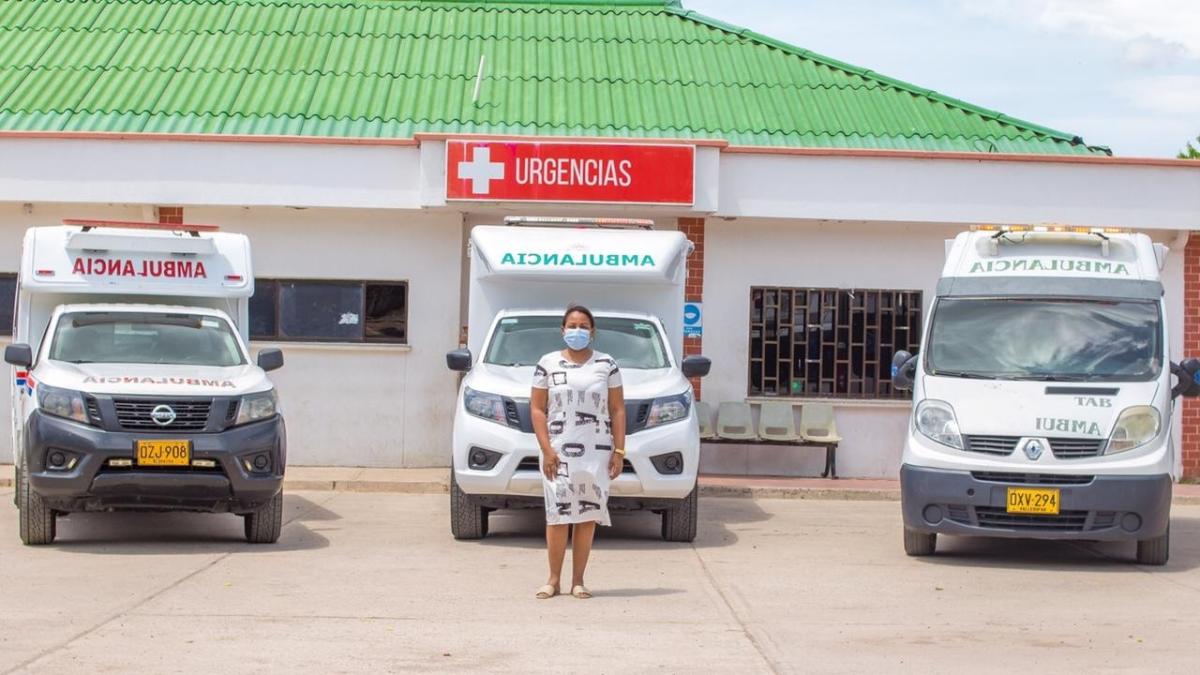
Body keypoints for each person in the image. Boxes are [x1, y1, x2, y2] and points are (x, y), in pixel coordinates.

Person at [530, 305, 626, 599]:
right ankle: (553, 579)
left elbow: (617, 409)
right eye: (572, 325)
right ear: (562, 329)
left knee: (586, 516)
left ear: (592, 331)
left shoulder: (607, 364)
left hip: (596, 451)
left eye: (583, 326)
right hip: (558, 452)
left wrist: (619, 450)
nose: (577, 331)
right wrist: (546, 449)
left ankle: (579, 581)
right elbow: (536, 408)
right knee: (557, 516)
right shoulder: (547, 363)